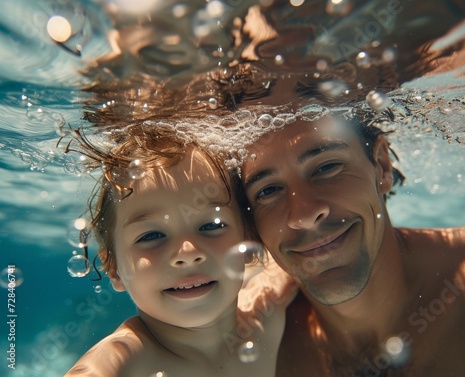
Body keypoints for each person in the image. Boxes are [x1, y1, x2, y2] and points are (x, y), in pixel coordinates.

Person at [233, 79, 465, 376]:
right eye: (268, 191)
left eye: (326, 167)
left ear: (382, 168)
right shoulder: (255, 344)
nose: (304, 214)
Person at [63, 123, 296, 377]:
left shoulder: (265, 313)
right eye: (151, 235)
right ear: (114, 268)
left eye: (211, 225)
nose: (187, 252)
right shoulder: (125, 359)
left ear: (249, 242)